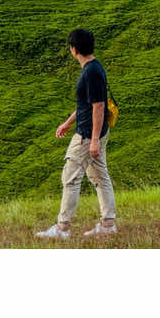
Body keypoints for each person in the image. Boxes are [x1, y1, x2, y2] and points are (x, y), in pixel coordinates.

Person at [35, 28, 117, 241]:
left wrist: (95, 140)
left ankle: (62, 229)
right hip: (91, 132)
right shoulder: (94, 67)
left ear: (74, 49)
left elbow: (98, 107)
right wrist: (67, 123)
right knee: (99, 176)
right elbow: (86, 105)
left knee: (70, 178)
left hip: (88, 135)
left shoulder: (90, 72)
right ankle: (108, 224)